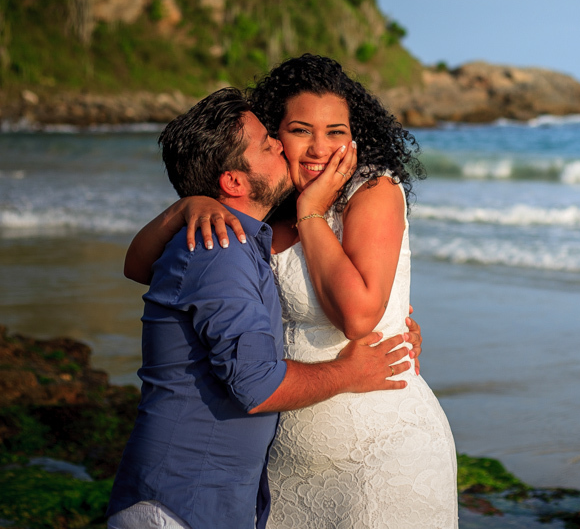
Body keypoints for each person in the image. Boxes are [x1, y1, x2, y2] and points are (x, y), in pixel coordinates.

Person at [126, 55, 459, 528]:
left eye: (336, 131)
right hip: (281, 463)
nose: (319, 148)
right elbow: (140, 267)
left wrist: (312, 213)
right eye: (301, 130)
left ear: (355, 134)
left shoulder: (372, 191)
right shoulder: (257, 209)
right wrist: (188, 205)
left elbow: (359, 318)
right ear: (275, 134)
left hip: (379, 449)